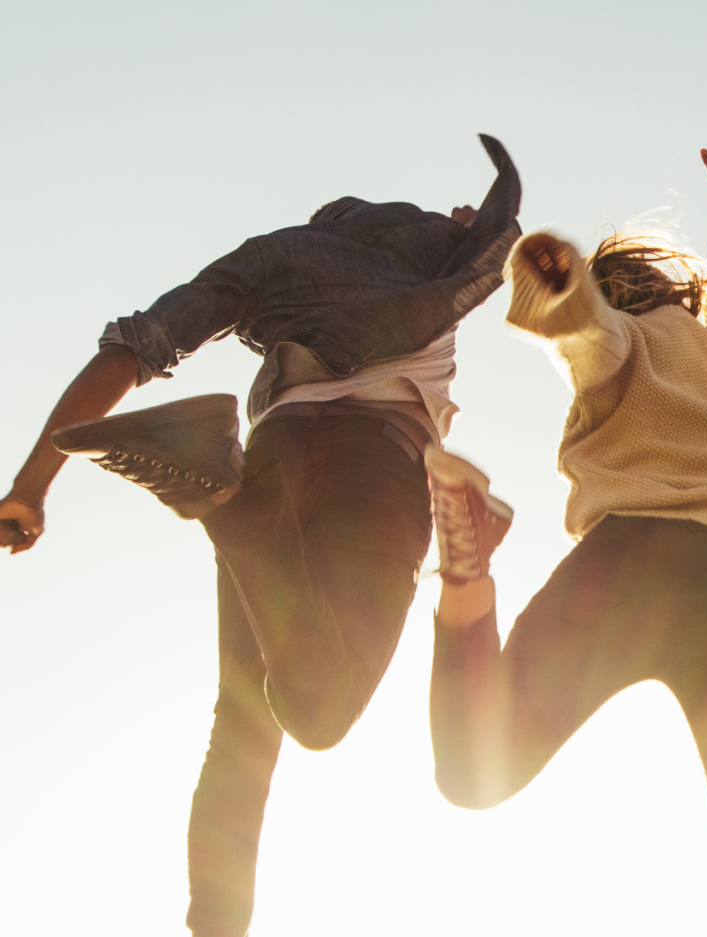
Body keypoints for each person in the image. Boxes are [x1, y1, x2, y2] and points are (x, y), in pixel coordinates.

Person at [0, 134, 521, 936]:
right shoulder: (436, 246)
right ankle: (217, 502)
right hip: (375, 466)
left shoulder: (271, 257)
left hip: (274, 454)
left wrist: (31, 486)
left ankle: (214, 926)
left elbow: (132, 346)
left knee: (244, 721)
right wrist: (476, 221)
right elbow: (505, 242)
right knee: (318, 713)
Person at [424, 134, 707, 937]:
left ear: (616, 292)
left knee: (472, 770)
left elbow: (596, 341)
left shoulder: (625, 341)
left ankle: (467, 569)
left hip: (625, 573)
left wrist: (567, 299)